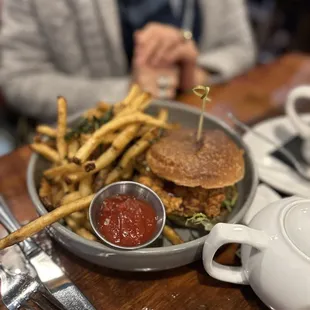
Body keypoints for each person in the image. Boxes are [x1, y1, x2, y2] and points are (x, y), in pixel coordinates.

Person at [0, 0, 256, 122]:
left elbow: (241, 46)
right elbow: (18, 79)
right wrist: (129, 91)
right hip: (87, 140)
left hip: (197, 122)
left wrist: (196, 72)